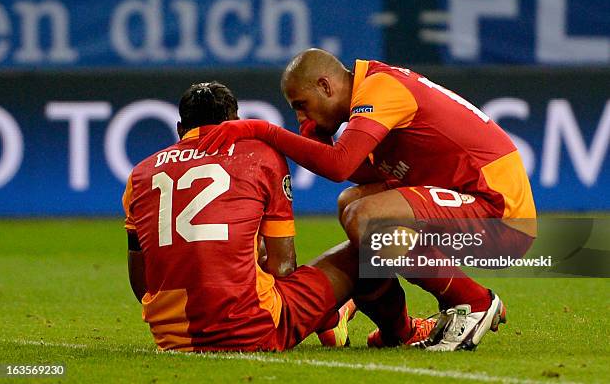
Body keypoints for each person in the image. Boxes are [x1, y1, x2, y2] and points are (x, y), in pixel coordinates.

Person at [197, 49, 537, 351]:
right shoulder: (373, 89)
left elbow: (339, 164)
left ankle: (474, 301)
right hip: (470, 201)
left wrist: (264, 130)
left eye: (301, 106)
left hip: (502, 217)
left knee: (366, 217)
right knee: (351, 204)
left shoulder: (381, 88)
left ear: (326, 87)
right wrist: (320, 140)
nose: (301, 117)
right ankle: (398, 330)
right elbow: (363, 174)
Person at [123, 81, 434, 352]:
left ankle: (332, 319)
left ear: (180, 129)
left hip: (170, 336)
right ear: (237, 123)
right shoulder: (259, 157)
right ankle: (401, 332)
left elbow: (142, 284)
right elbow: (283, 268)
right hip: (251, 328)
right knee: (366, 250)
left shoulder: (141, 174)